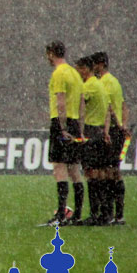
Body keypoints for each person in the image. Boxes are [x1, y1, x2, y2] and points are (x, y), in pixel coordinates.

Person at [44, 40, 85, 226]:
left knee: (59, 168)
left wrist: (62, 127)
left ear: (52, 53)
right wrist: (80, 129)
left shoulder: (59, 73)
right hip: (75, 121)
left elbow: (60, 101)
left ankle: (61, 215)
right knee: (74, 169)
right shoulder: (75, 74)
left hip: (62, 122)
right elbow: (82, 103)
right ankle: (77, 215)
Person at [74, 55, 113, 225]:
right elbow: (108, 111)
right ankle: (105, 212)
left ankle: (94, 214)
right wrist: (105, 131)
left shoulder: (88, 86)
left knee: (90, 174)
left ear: (84, 69)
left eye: (78, 69)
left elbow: (81, 109)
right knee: (100, 174)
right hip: (100, 133)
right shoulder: (100, 85)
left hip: (90, 131)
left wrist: (81, 132)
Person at [93, 52, 126, 225]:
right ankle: (118, 214)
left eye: (95, 65)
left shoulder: (104, 83)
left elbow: (109, 108)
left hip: (111, 130)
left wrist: (115, 127)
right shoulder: (115, 81)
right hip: (117, 130)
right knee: (115, 172)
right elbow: (122, 105)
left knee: (106, 172)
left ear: (100, 65)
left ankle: (108, 213)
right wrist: (124, 125)